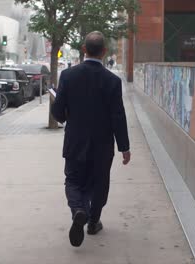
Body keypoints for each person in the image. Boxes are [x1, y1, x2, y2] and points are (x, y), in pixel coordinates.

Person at [51, 31, 131, 247]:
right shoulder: (113, 81)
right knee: (99, 183)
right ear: (104, 52)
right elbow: (118, 115)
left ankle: (78, 209)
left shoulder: (68, 76)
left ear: (84, 49)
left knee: (74, 180)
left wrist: (66, 115)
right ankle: (93, 221)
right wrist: (124, 147)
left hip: (75, 141)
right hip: (102, 145)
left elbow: (58, 112)